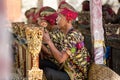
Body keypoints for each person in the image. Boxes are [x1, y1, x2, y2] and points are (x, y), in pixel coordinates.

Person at [42, 1, 90, 80]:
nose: (57, 19)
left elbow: (61, 59)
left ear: (69, 20)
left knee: (47, 72)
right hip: (66, 69)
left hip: (75, 75)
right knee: (42, 64)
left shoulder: (74, 36)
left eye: (60, 17)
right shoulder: (65, 34)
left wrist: (49, 42)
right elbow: (69, 51)